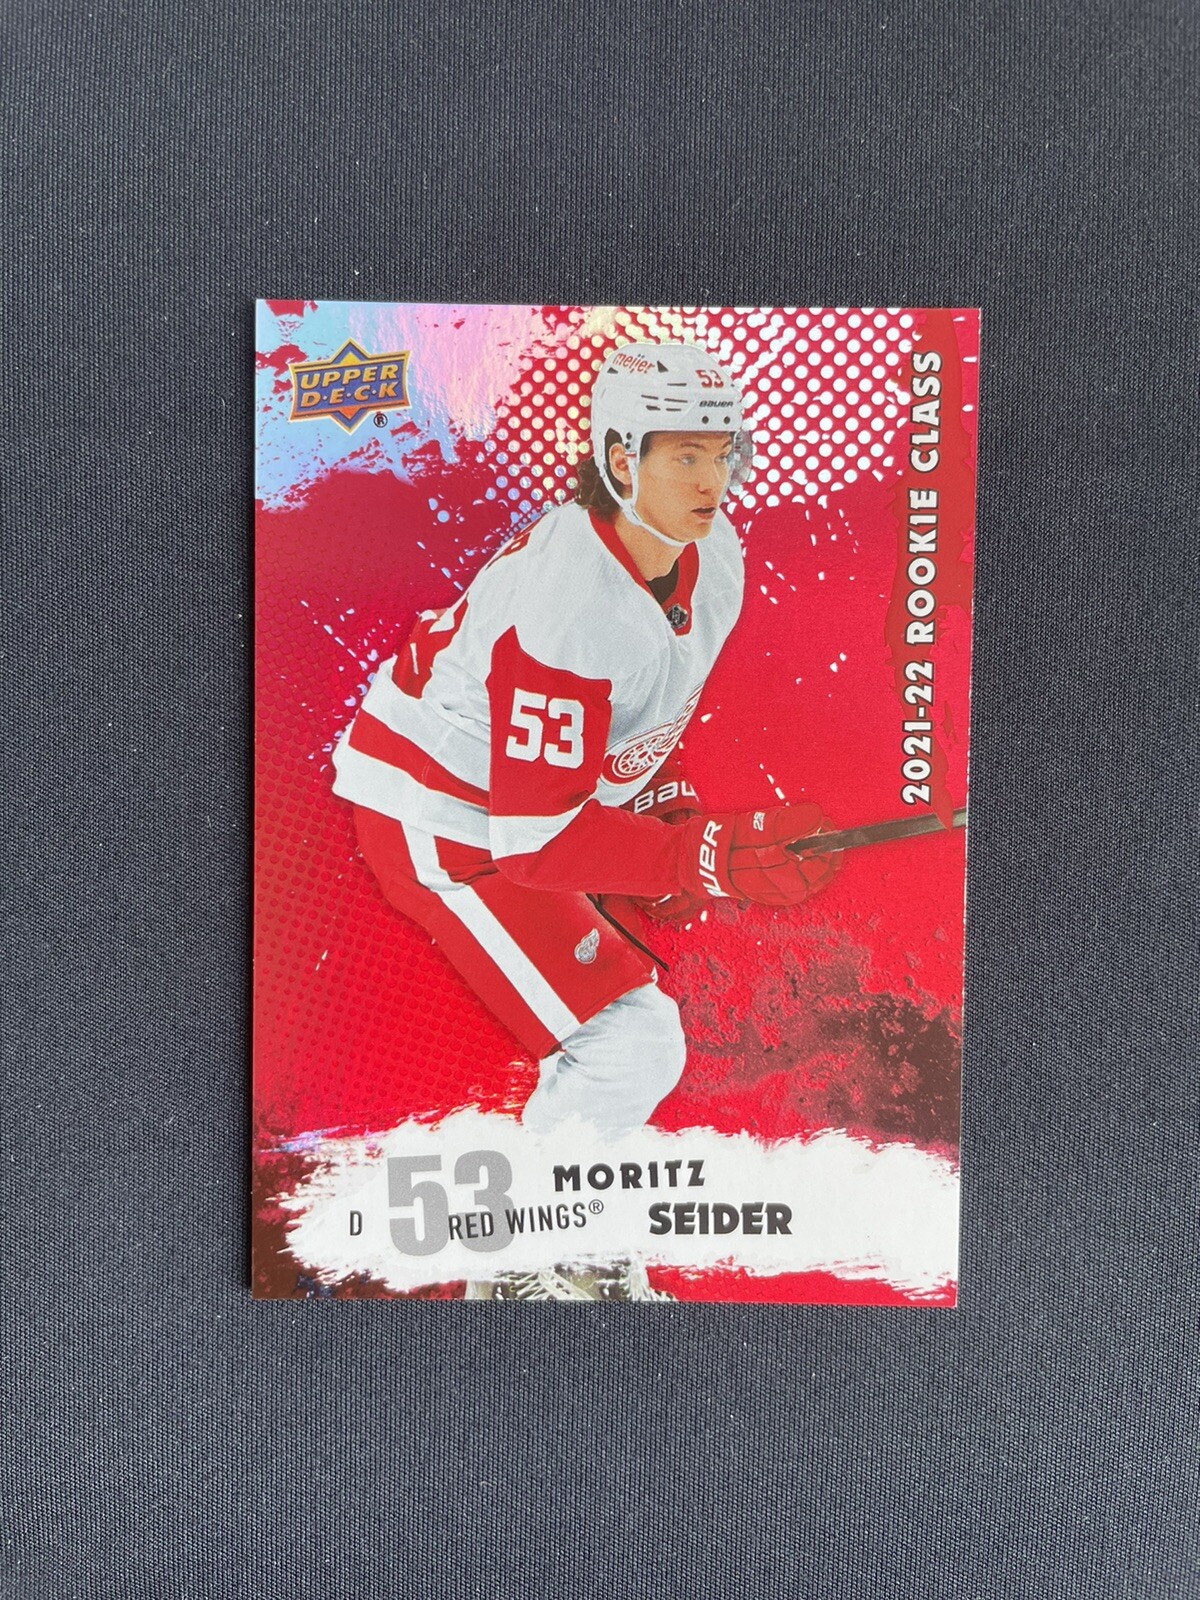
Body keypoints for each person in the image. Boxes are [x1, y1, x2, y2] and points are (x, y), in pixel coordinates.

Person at [330, 341, 837, 1298]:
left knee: (638, 1037)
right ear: (618, 460)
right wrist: (700, 858)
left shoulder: (711, 556)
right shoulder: (571, 603)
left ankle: (563, 1230)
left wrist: (665, 813)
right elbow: (535, 840)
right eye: (683, 456)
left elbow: (629, 720)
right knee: (631, 1041)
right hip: (441, 814)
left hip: (516, 803)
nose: (713, 480)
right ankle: (519, 1259)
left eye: (722, 452)